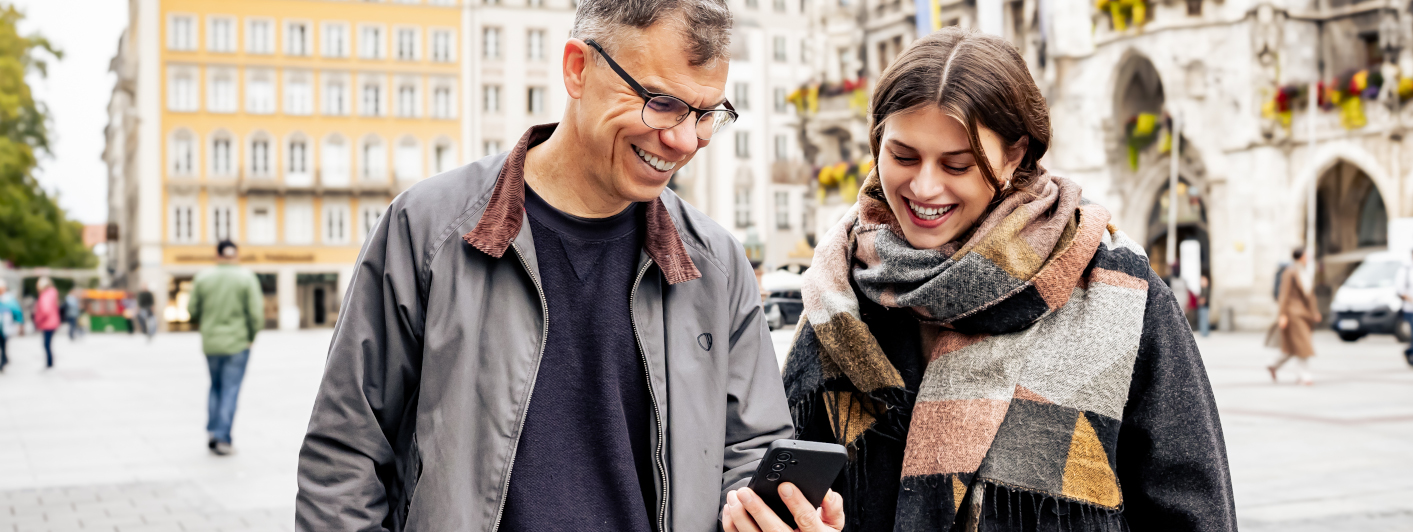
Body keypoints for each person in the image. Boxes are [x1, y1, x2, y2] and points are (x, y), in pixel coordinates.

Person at [295, 1, 801, 530]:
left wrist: (770, 510)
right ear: (577, 69)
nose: (683, 140)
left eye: (706, 115)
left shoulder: (717, 263)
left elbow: (751, 452)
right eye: (662, 102)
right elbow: (345, 454)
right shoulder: (427, 229)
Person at [760, 27, 1236, 532]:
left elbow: (1196, 515)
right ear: (877, 141)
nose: (923, 186)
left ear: (1014, 155)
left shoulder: (1119, 294)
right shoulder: (840, 292)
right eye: (903, 156)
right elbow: (789, 496)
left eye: (957, 164)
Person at [188, 240, 265, 456]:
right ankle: (223, 437)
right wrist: (251, 337)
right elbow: (256, 314)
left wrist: (206, 324)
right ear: (236, 255)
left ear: (217, 254)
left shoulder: (203, 277)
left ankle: (212, 432)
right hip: (238, 343)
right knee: (230, 389)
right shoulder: (246, 277)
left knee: (215, 387)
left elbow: (192, 310)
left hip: (211, 343)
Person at [1268, 248, 1321, 385]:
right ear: (1301, 257)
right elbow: (1284, 295)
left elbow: (1310, 295)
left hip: (1304, 314)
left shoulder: (1304, 272)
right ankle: (1305, 376)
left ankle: (1273, 365)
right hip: (1293, 313)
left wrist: (1314, 311)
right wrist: (1282, 315)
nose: (1308, 258)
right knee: (1303, 343)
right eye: (1306, 255)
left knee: (1293, 346)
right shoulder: (1290, 272)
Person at [33, 277, 60, 369]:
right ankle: (50, 362)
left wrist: (38, 319)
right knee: (48, 344)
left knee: (46, 344)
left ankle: (49, 363)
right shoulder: (52, 293)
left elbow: (46, 310)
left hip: (47, 323)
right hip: (52, 322)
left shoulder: (46, 295)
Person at [0, 279, 22, 372]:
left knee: (4, 343)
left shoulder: (9, 298)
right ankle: (4, 358)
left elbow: (17, 311)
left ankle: (3, 360)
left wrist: (20, 323)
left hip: (5, 326)